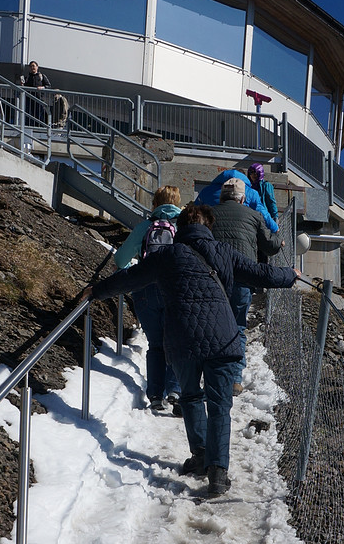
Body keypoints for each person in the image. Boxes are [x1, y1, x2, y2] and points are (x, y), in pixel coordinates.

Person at [88, 204, 296, 498]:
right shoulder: (224, 252)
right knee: (220, 404)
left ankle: (200, 456)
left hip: (182, 337)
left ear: (182, 227)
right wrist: (290, 275)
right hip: (223, 337)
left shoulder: (166, 256)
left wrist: (96, 291)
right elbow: (259, 272)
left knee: (190, 396)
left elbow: (128, 279)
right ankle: (218, 473)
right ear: (208, 226)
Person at [210, 176, 282, 387]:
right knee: (238, 328)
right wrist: (280, 240)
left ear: (221, 197)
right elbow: (270, 245)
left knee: (213, 325)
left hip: (214, 279)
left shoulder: (209, 215)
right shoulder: (253, 215)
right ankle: (234, 379)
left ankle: (213, 375)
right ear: (242, 199)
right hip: (242, 279)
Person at [115, 185, 182, 411]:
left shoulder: (145, 227)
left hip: (146, 289)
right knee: (174, 341)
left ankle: (155, 395)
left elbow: (121, 259)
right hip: (174, 289)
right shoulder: (183, 227)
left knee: (155, 344)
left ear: (155, 203)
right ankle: (174, 390)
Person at [194, 167, 278, 234]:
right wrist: (275, 228)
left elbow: (194, 210)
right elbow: (262, 213)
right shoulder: (251, 192)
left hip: (212, 233)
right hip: (241, 232)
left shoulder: (206, 191)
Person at [247, 161, 279, 227]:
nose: (253, 175)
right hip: (252, 217)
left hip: (264, 218)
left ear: (259, 173)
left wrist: (275, 217)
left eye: (254, 172)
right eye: (251, 173)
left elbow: (271, 202)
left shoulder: (266, 185)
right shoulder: (250, 187)